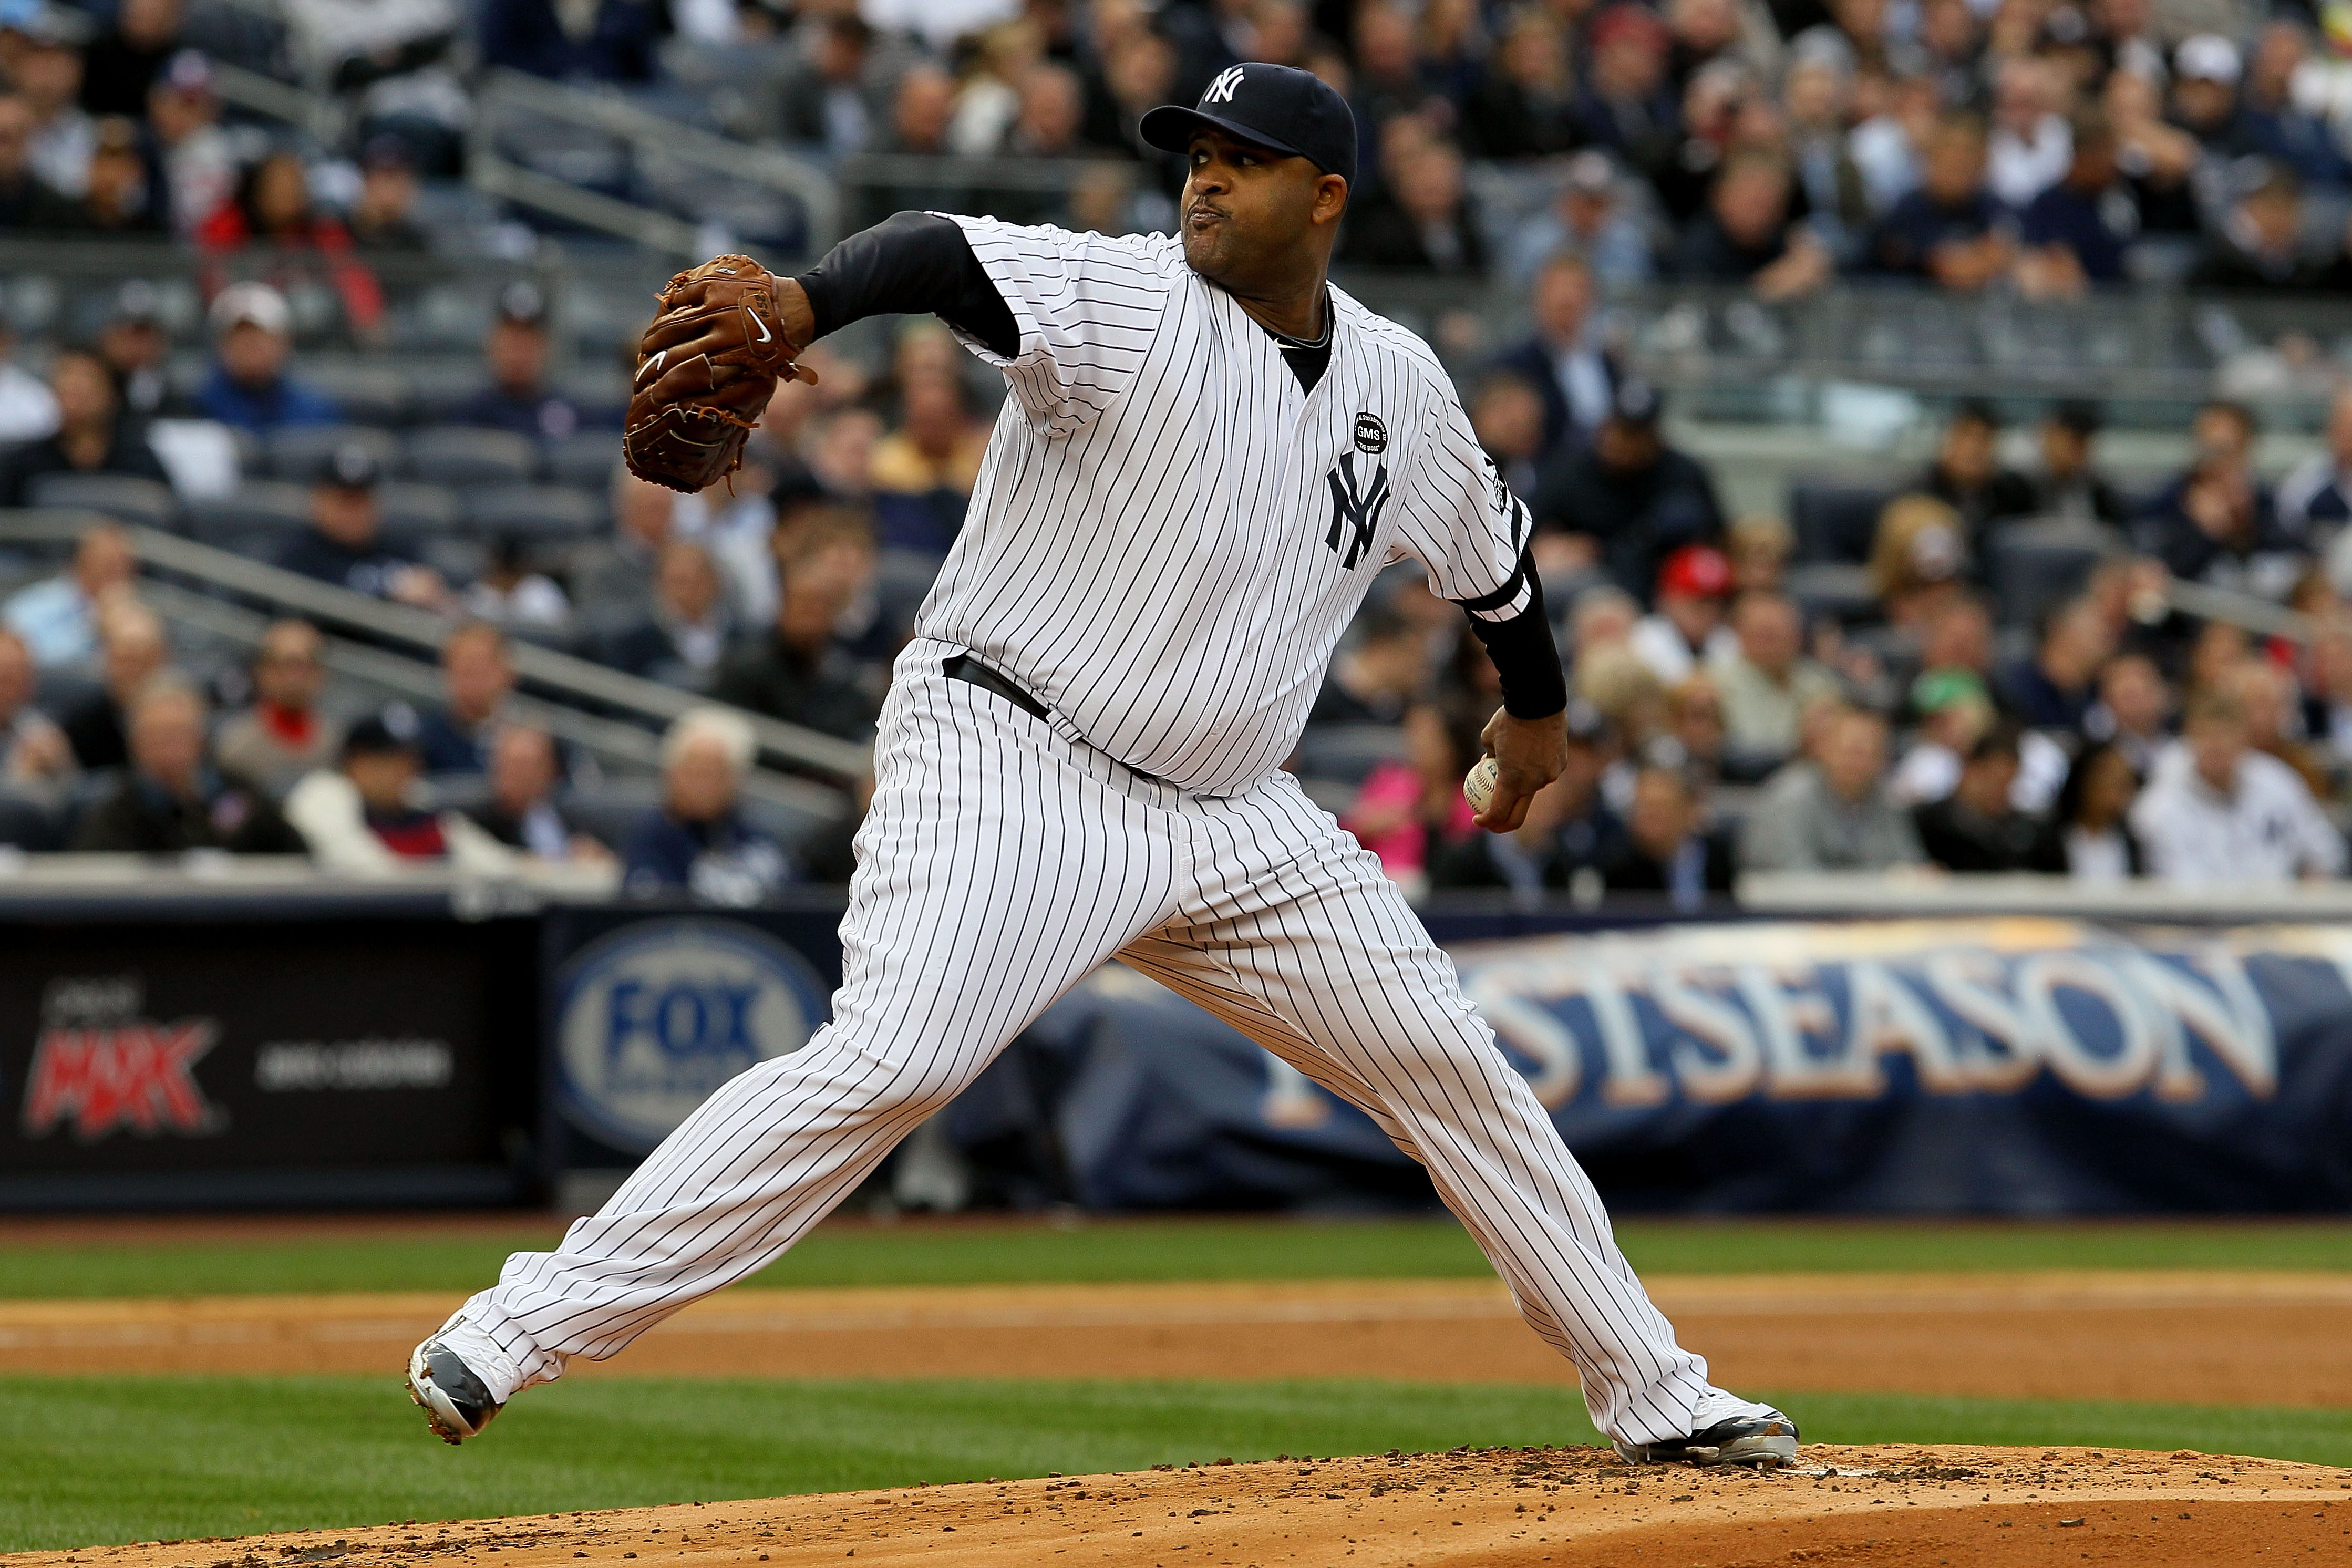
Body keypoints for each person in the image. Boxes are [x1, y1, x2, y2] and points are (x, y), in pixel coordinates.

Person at [406, 63, 1798, 1474]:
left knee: (1454, 1070)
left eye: (1240, 159)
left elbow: (1496, 563)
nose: (1201, 175)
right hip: (1016, 756)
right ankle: (525, 1325)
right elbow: (943, 250)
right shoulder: (1128, 301)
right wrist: (806, 305)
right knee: (896, 1057)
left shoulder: (1398, 385)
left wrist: (1538, 720)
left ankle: (1655, 1393)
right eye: (1193, 151)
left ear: (1322, 199)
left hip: (1239, 820)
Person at [1533, 380, 1726, 601]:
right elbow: (1525, 530)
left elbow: (1717, 536)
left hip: (1668, 588)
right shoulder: (1569, 472)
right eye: (1621, 431)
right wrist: (1555, 546)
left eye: (1637, 434)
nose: (1627, 443)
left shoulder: (1683, 474)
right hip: (1592, 584)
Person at [70, 676, 306, 854]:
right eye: (158, 735)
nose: (170, 747)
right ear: (135, 744)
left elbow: (299, 859)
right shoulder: (114, 814)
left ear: (201, 738)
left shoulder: (241, 796)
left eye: (180, 733)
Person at [2131, 690, 2345, 883]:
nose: (2217, 746)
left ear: (2245, 737)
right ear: (2190, 737)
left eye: (2227, 734)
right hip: (2197, 923)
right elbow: (2180, 890)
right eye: (2206, 735)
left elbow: (2327, 852)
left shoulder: (2276, 781)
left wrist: (2311, 884)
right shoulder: (2159, 806)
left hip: (2282, 918)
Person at [708, 515, 880, 742]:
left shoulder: (843, 680)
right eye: (804, 605)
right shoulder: (744, 668)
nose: (810, 618)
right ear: (783, 606)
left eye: (821, 608)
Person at [285, 714, 518, 876]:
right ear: (357, 762)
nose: (406, 770)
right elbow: (366, 871)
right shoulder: (323, 794)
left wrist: (523, 867)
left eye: (411, 759)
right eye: (391, 761)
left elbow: (492, 862)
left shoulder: (416, 799)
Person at [620, 706, 790, 902]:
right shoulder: (651, 839)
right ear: (670, 774)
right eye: (694, 771)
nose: (703, 785)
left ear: (737, 780)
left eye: (715, 773)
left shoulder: (756, 840)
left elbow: (798, 903)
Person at [1739, 705, 1925, 871]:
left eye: (1872, 753)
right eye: (1852, 751)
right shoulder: (1789, 798)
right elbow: (1793, 880)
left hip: (1863, 907)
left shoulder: (1886, 802)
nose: (1859, 762)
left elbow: (1908, 869)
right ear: (1824, 750)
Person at [275, 443, 450, 610]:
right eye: (345, 501)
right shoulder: (297, 555)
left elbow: (438, 592)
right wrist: (389, 595)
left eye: (361, 500)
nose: (354, 512)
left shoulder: (399, 547)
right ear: (319, 501)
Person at [0, 346, 170, 508]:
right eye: (66, 381)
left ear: (112, 394)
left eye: (85, 383)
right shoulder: (24, 466)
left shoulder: (140, 464)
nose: (75, 390)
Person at [1490, 253, 1618, 460]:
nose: (1567, 298)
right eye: (1557, 288)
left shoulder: (1608, 362)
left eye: (1577, 289)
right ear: (1538, 297)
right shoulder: (1514, 366)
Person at [1864, 111, 2012, 291]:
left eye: (1967, 158)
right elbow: (1950, 269)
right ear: (1930, 159)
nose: (1958, 165)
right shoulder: (1906, 213)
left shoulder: (1993, 207)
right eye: (1950, 155)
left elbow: (2006, 252)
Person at [452, 282, 606, 443]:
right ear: (492, 343)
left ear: (546, 345)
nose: (518, 352)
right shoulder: (469, 417)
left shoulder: (574, 415)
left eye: (528, 339)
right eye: (511, 339)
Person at [1673, 150, 1833, 300]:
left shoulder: (1778, 240)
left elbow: (1811, 266)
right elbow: (1710, 308)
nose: (1763, 214)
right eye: (1754, 203)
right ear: (1720, 196)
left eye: (1771, 204)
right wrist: (1768, 287)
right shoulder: (1698, 250)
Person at [1710, 591, 1840, 769]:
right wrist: (1802, 741)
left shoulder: (1817, 679)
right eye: (1765, 634)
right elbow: (1750, 747)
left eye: (1785, 632)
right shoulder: (1715, 682)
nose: (1776, 642)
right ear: (1740, 634)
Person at [214, 619, 343, 797]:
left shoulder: (336, 744)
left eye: (304, 666)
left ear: (321, 673)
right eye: (281, 666)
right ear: (260, 671)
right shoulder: (236, 745)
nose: (293, 679)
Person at [194, 282, 338, 435]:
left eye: (260, 337)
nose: (250, 346)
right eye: (240, 337)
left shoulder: (315, 413)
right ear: (221, 345)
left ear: (284, 342)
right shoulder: (197, 409)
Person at [2015, 109, 2132, 296]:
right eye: (2105, 152)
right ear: (2082, 154)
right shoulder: (2048, 205)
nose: (2113, 162)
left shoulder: (2121, 196)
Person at [597, 540, 734, 687]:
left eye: (699, 580)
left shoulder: (737, 634)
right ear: (660, 583)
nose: (688, 591)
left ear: (715, 582)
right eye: (680, 581)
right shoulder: (635, 639)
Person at [3, 521, 136, 668]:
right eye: (109, 564)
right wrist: (95, 630)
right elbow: (18, 664)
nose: (119, 572)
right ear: (80, 561)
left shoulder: (136, 616)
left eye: (123, 564)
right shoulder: (31, 606)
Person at [466, 723, 606, 861]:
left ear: (551, 770)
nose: (519, 775)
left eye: (527, 765)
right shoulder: (478, 822)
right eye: (512, 765)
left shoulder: (568, 814)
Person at [1600, 764, 1734, 905]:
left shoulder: (1717, 857)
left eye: (1662, 809)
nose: (1650, 819)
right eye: (1644, 809)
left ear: (1687, 811)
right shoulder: (1618, 867)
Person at [1910, 723, 2038, 871]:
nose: (1999, 791)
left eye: (2008, 784)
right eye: (1994, 781)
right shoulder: (1926, 824)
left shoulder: (2022, 832)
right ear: (1969, 770)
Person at [56, 600, 168, 770]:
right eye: (125, 660)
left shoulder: (180, 718)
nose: (134, 671)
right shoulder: (82, 719)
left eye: (143, 660)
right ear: (107, 661)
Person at [1915, 400, 2036, 540]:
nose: (1975, 448)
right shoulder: (1920, 493)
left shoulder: (2015, 493)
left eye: (1984, 438)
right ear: (1947, 442)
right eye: (1966, 436)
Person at [1996, 595, 2114, 731]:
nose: (2106, 634)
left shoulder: (2097, 693)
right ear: (2057, 629)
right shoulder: (2014, 692)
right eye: (2095, 625)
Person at [2029, 740, 2143, 880]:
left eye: (2124, 783)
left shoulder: (2131, 842)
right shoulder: (2048, 844)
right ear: (2083, 780)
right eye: (2108, 779)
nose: (2118, 791)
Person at [415, 622, 518, 775]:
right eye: (465, 670)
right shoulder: (423, 741)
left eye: (483, 669)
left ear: (508, 673)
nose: (474, 681)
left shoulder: (531, 744)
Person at [1629, 544, 1736, 685]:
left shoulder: (1727, 639)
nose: (1709, 611)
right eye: (1699, 601)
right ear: (1668, 598)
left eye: (1717, 602)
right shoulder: (1643, 639)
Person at [1309, 602, 1428, 726]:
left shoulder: (1398, 709)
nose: (1419, 668)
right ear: (1383, 648)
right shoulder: (1316, 692)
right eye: (1410, 654)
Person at [0, 628, 72, 802]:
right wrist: (20, 779)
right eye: (7, 678)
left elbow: (69, 796)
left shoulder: (35, 725)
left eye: (24, 676)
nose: (17, 688)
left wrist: (60, 766)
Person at [2034, 403, 2127, 526]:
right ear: (2049, 436)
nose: (2077, 450)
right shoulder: (2019, 490)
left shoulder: (2099, 493)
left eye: (2084, 442)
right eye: (2072, 440)